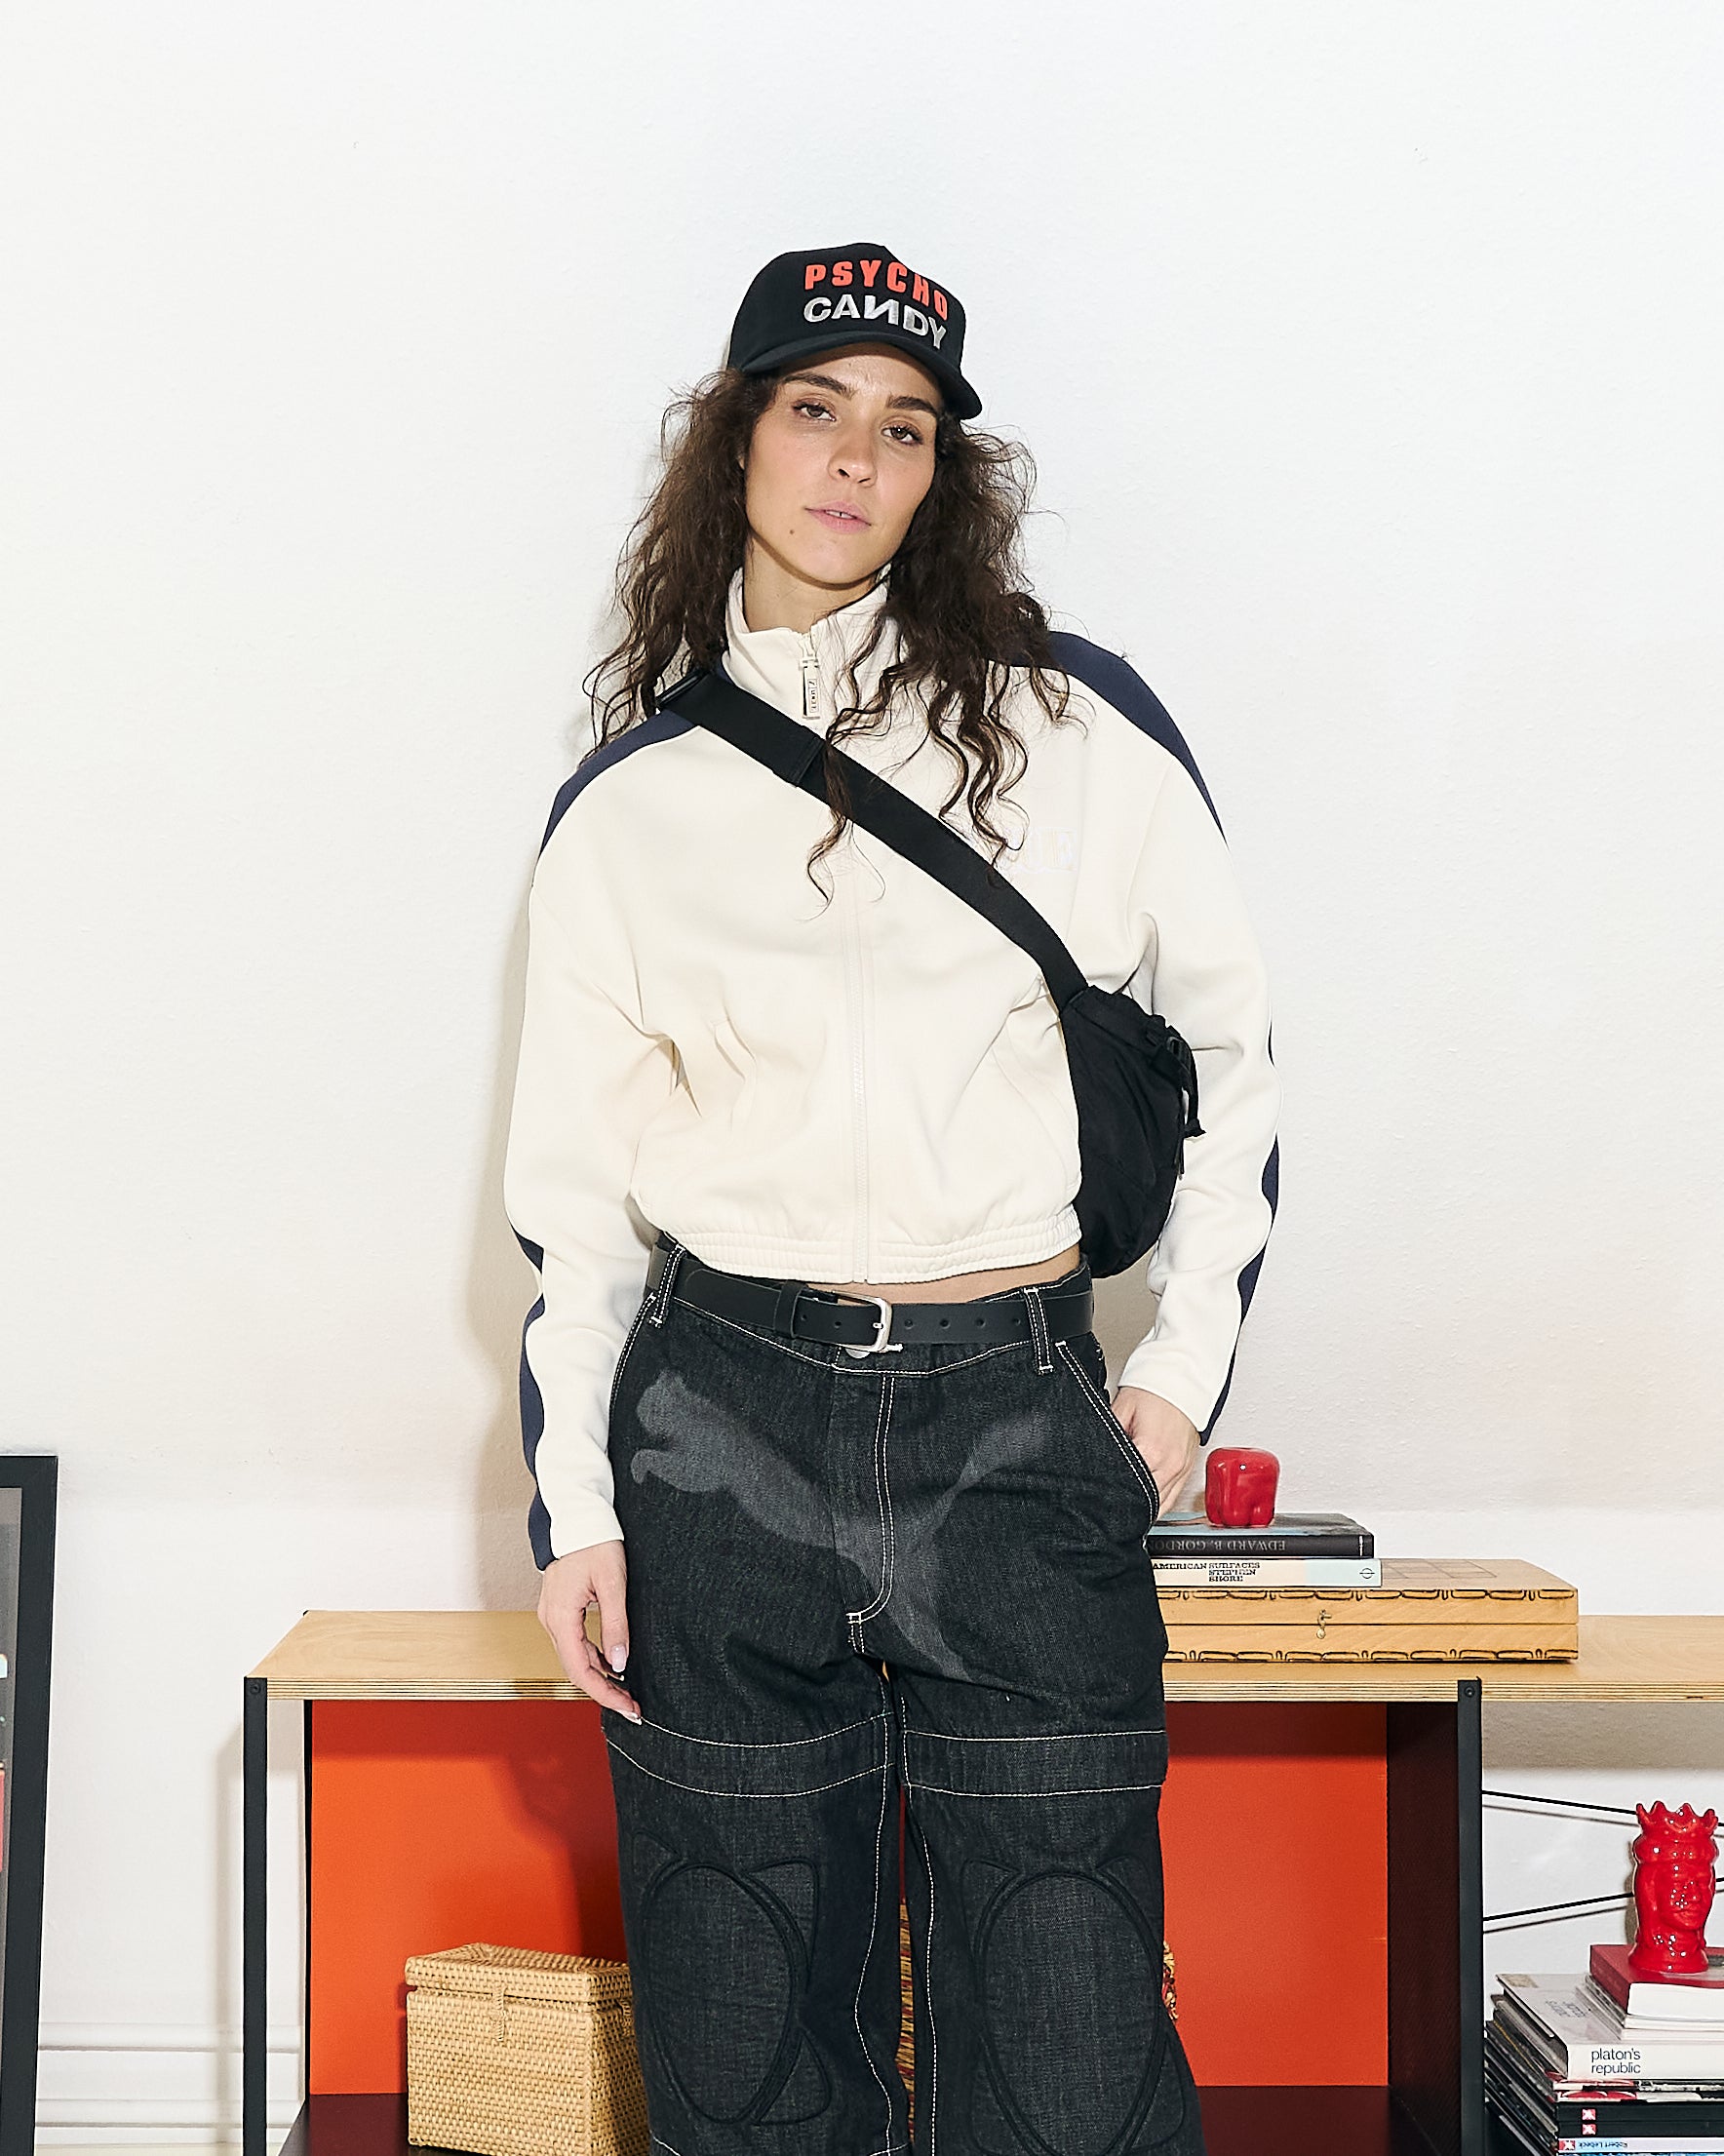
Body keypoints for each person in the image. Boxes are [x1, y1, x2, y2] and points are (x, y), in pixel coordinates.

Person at [503, 241, 1278, 2156]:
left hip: (1012, 1409)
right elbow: (575, 1209)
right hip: (717, 1418)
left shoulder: (1081, 731)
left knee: (1071, 2045)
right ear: (735, 443)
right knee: (740, 2040)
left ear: (943, 475)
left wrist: (1176, 1374)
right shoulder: (633, 806)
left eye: (906, 426)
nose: (856, 457)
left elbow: (1236, 1060)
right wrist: (578, 1507)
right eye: (814, 407)